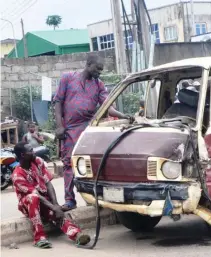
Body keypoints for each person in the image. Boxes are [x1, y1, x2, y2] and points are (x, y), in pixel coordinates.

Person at [53, 55, 131, 211]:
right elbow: (58, 102)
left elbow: (108, 107)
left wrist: (124, 116)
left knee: (90, 163)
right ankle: (70, 200)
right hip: (69, 129)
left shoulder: (99, 85)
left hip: (88, 129)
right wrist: (59, 126)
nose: (99, 72)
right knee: (69, 164)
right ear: (88, 64)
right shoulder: (67, 78)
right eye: (98, 68)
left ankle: (93, 198)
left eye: (101, 70)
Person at [12, 142, 91, 249]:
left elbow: (48, 183)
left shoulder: (37, 161)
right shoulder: (17, 175)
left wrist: (56, 205)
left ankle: (77, 235)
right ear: (23, 155)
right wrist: (53, 207)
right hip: (29, 204)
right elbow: (36, 194)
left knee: (55, 214)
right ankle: (39, 238)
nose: (33, 152)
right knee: (34, 198)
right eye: (30, 150)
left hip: (44, 201)